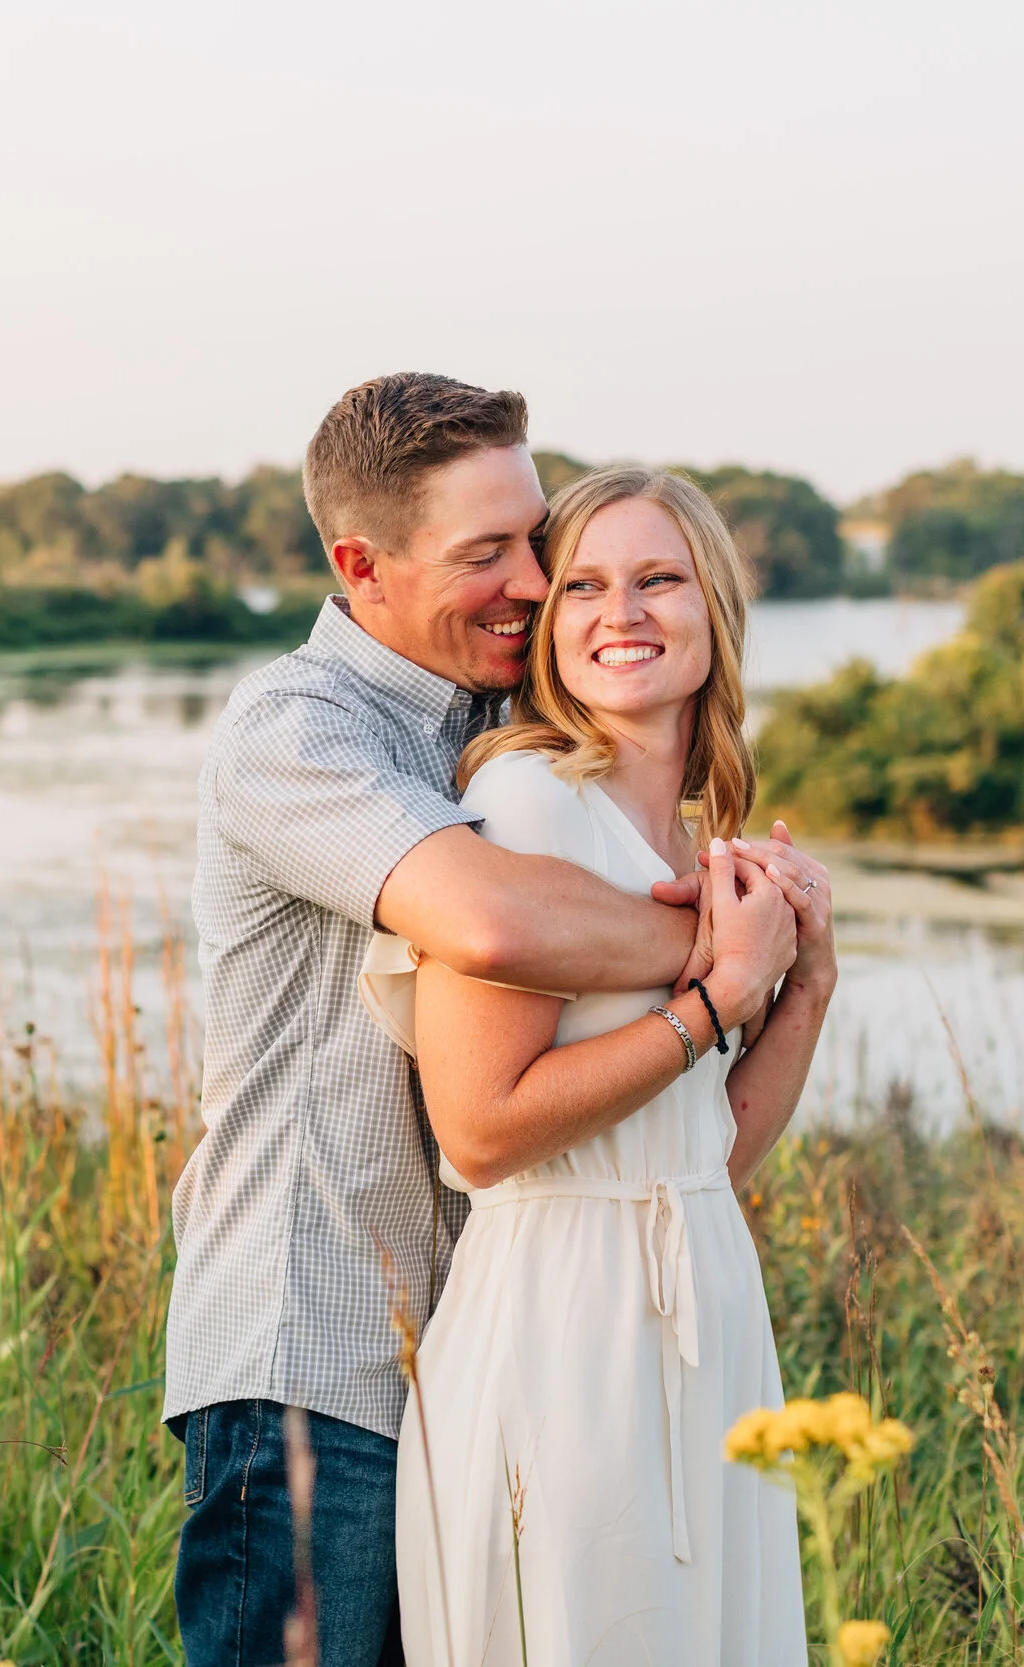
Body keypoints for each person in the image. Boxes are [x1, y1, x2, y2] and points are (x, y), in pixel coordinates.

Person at [164, 376, 713, 1667]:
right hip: (312, 1362)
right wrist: (729, 954)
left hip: (477, 1359)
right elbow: (489, 922)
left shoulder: (500, 727)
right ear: (363, 564)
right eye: (488, 554)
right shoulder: (296, 733)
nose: (533, 579)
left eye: (534, 540)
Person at [375, 465, 834, 1664]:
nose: (617, 611)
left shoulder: (694, 838)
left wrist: (807, 983)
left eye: (655, 579)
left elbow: (709, 1150)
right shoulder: (524, 802)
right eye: (580, 584)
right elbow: (479, 1127)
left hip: (706, 1297)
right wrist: (718, 994)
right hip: (562, 1318)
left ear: (714, 606)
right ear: (548, 626)